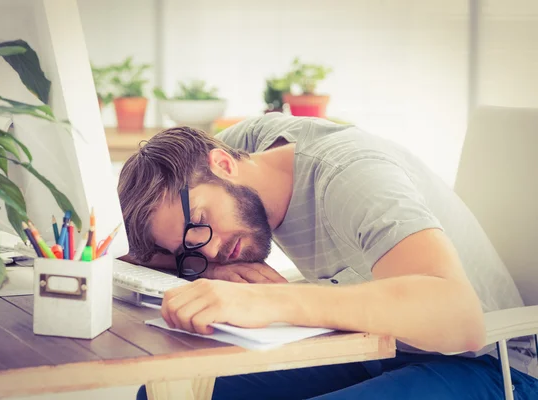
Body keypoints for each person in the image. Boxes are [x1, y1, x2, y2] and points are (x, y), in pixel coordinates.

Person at [118, 113, 538, 399]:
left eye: (202, 225)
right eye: (192, 247)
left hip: (492, 366)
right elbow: (166, 246)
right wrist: (212, 265)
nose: (207, 249)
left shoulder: (352, 177)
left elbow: (459, 318)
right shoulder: (246, 149)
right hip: (380, 347)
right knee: (166, 393)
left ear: (224, 165)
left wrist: (267, 301)